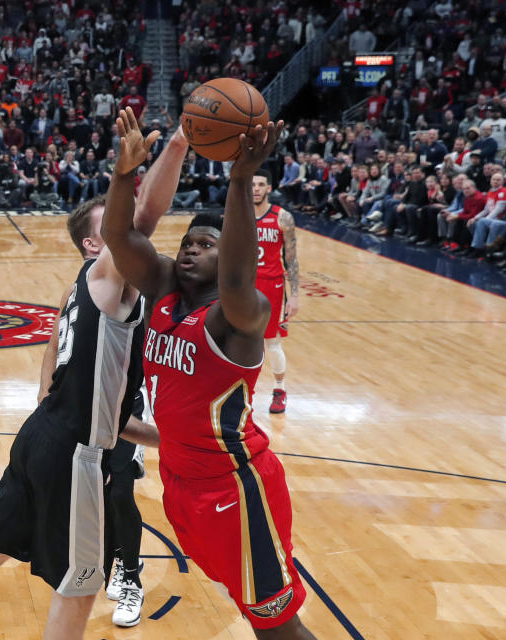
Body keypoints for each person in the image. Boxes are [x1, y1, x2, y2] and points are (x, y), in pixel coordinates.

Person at [0, 118, 190, 640]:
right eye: (114, 224)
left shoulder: (77, 293)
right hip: (72, 452)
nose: (126, 225)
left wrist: (167, 438)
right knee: (82, 584)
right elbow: (147, 214)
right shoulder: (110, 276)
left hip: (43, 432)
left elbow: (79, 397)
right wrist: (174, 144)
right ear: (96, 245)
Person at [102, 109, 317, 638]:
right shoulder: (164, 293)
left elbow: (241, 273)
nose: (191, 250)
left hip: (237, 488)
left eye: (207, 245)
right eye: (187, 243)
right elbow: (118, 238)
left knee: (277, 627)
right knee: (253, 613)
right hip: (180, 484)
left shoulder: (239, 317)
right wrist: (123, 173)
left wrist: (240, 178)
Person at [250, 170, 299, 413]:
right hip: (244, 286)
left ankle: (279, 390)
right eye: (252, 185)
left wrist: (296, 295)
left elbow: (291, 259)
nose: (256, 189)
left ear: (268, 188)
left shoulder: (283, 217)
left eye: (260, 184)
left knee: (271, 341)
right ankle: (243, 392)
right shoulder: (239, 215)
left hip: (272, 286)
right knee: (242, 341)